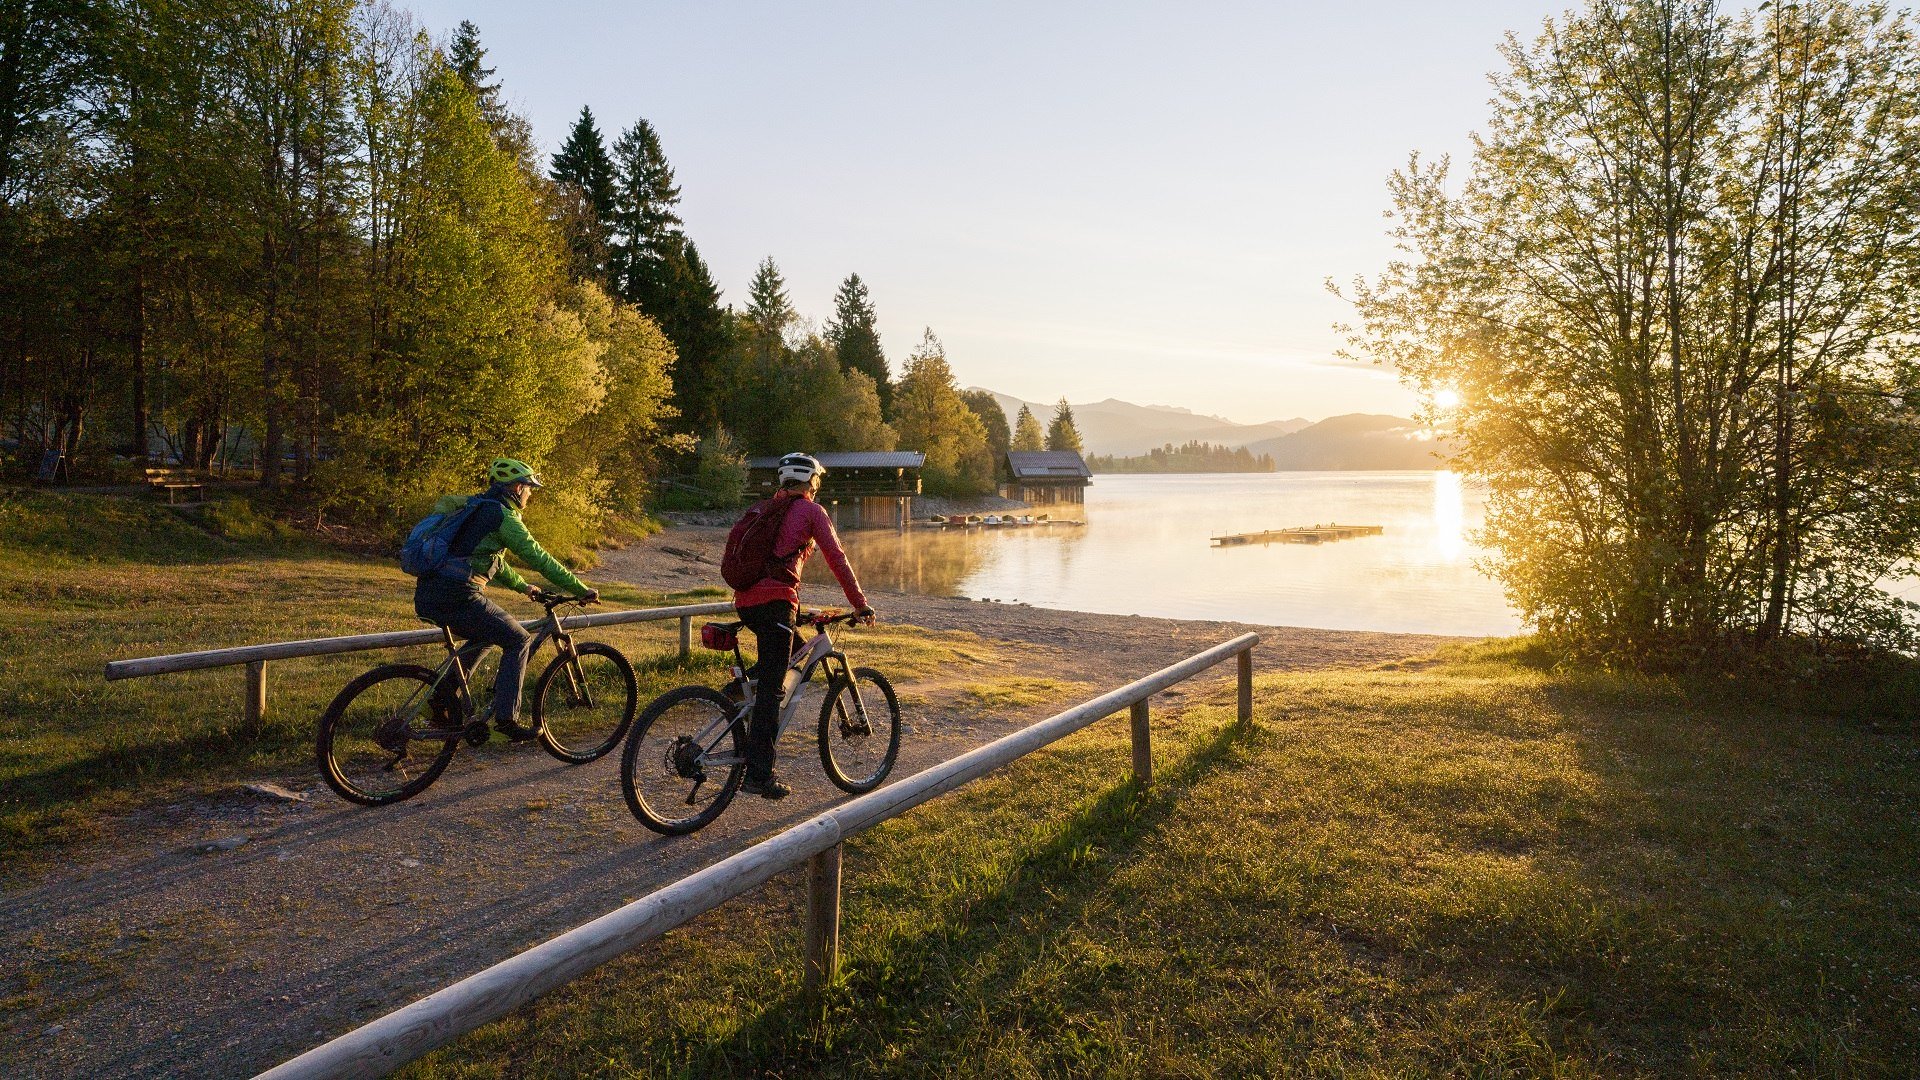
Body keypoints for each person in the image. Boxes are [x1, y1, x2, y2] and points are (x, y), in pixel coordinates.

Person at [415, 458, 598, 740]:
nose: (530, 494)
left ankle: (440, 702)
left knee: (486, 635)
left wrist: (523, 587)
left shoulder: (477, 507)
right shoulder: (504, 516)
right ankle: (506, 722)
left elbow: (490, 560)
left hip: (431, 592)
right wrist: (579, 588)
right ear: (515, 487)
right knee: (519, 640)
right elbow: (538, 557)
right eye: (529, 488)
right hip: (458, 594)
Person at [732, 452, 873, 798]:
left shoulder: (766, 510)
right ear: (811, 481)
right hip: (775, 605)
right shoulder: (811, 511)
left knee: (792, 653)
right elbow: (837, 558)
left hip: (748, 603)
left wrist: (795, 610)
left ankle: (734, 700)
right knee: (772, 688)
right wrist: (859, 604)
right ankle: (759, 775)